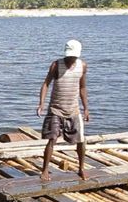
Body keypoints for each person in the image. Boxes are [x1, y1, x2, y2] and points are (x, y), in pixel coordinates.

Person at [36, 39, 90, 181]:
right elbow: (46, 84)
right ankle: (45, 170)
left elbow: (82, 88)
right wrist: (41, 104)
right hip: (55, 109)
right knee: (52, 139)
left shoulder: (82, 66)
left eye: (73, 56)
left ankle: (81, 168)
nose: (70, 58)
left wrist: (86, 109)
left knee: (81, 141)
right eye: (69, 56)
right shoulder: (56, 65)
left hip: (73, 109)